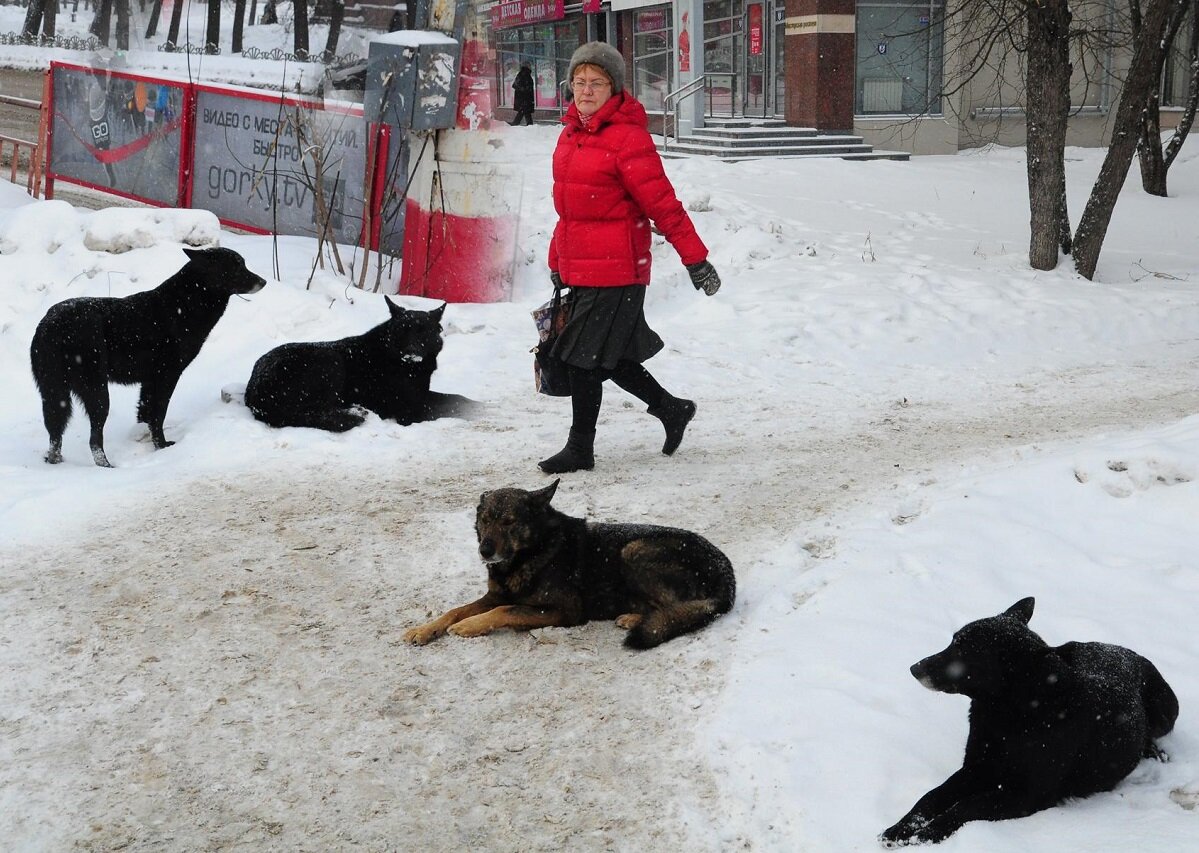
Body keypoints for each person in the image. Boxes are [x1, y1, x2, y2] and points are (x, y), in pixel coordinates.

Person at [540, 41, 722, 474]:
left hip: (619, 270)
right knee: (611, 356)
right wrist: (557, 260)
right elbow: (568, 211)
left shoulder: (628, 139)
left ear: (614, 88)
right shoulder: (570, 135)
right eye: (580, 81)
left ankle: (580, 449)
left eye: (596, 82)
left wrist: (695, 259)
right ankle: (671, 409)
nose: (586, 90)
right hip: (583, 267)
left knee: (582, 359)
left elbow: (664, 204)